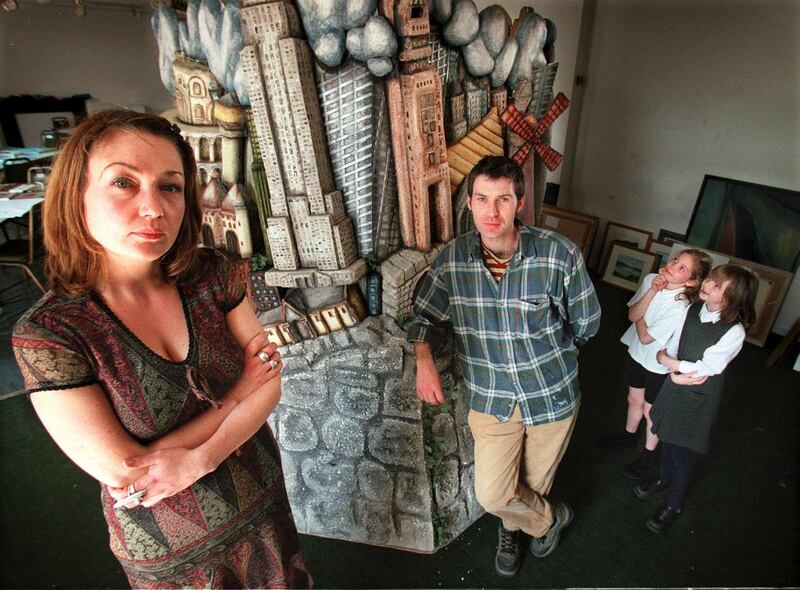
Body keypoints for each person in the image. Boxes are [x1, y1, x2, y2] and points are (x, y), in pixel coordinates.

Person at [11, 110, 310, 588]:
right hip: (171, 544)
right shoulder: (52, 333)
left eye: (169, 186)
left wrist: (203, 457)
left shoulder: (213, 275)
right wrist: (237, 395)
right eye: (123, 183)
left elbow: (269, 383)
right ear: (75, 193)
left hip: (260, 497)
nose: (153, 208)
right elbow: (125, 470)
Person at [406, 156, 601, 577]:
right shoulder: (452, 261)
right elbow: (424, 316)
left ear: (520, 203)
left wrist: (553, 357)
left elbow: (586, 324)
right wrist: (423, 359)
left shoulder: (559, 254)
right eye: (482, 199)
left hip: (551, 395)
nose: (491, 212)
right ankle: (549, 520)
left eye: (503, 199)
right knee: (493, 493)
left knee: (534, 482)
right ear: (469, 203)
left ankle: (511, 531)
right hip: (491, 396)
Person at [635, 264, 757, 533]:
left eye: (717, 285)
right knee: (667, 436)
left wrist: (670, 364)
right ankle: (664, 478)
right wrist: (669, 362)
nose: (708, 285)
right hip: (675, 383)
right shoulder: (692, 309)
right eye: (710, 279)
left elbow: (707, 368)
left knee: (682, 452)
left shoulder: (734, 331)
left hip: (698, 395)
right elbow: (674, 345)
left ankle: (674, 504)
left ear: (732, 297)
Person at [598, 249, 712, 483]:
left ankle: (649, 457)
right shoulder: (652, 279)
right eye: (676, 260)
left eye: (682, 268)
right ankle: (628, 436)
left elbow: (646, 336)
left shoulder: (681, 305)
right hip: (639, 354)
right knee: (633, 399)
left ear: (691, 282)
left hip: (658, 363)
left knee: (651, 411)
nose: (672, 265)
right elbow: (632, 314)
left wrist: (640, 316)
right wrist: (652, 290)